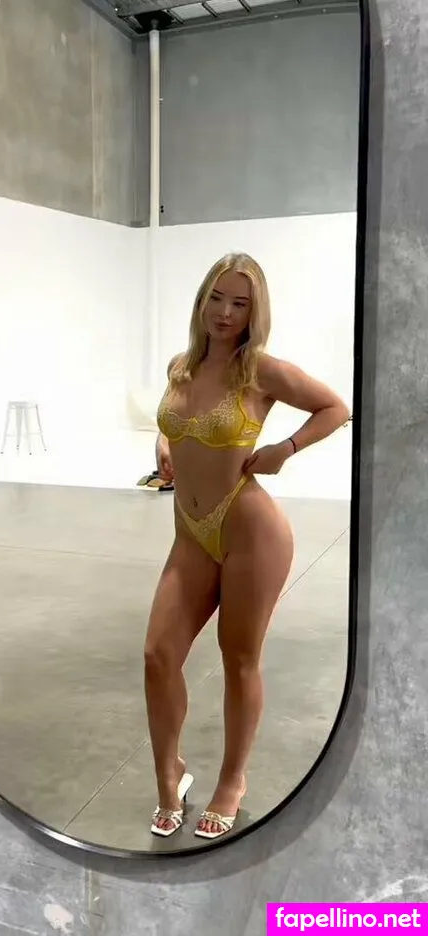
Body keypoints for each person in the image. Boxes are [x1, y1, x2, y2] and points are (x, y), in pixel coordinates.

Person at [144, 252, 350, 840]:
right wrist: (165, 441)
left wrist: (285, 449)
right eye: (217, 298)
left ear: (255, 313)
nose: (225, 312)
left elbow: (336, 407)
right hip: (190, 530)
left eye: (240, 303)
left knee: (239, 659)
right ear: (202, 299)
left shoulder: (259, 370)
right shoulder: (180, 366)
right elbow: (177, 420)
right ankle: (169, 774)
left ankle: (232, 781)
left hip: (250, 531)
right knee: (157, 655)